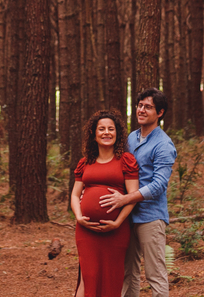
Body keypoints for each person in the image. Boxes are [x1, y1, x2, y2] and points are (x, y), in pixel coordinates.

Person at [98, 88, 176, 297]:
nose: (142, 110)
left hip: (150, 217)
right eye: (140, 105)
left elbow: (159, 184)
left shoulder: (163, 144)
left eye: (148, 107)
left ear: (159, 113)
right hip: (126, 217)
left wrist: (126, 198)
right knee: (127, 272)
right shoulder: (130, 139)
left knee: (155, 273)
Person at [70, 109, 139, 297]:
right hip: (86, 231)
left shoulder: (126, 161)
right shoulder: (85, 163)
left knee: (111, 277)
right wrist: (79, 217)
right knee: (88, 275)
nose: (106, 132)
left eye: (111, 129)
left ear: (117, 134)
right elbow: (75, 195)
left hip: (116, 231)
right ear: (94, 134)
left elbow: (133, 196)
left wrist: (118, 222)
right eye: (101, 129)